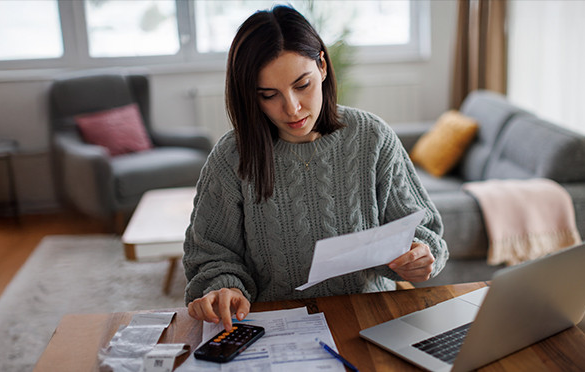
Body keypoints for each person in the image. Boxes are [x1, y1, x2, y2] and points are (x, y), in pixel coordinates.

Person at [184, 5, 448, 329]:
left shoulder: (372, 136)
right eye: (269, 95)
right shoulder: (231, 157)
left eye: (302, 85)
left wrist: (420, 255)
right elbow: (210, 254)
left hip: (370, 320)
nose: (292, 108)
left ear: (322, 66)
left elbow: (424, 230)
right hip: (274, 327)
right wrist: (225, 288)